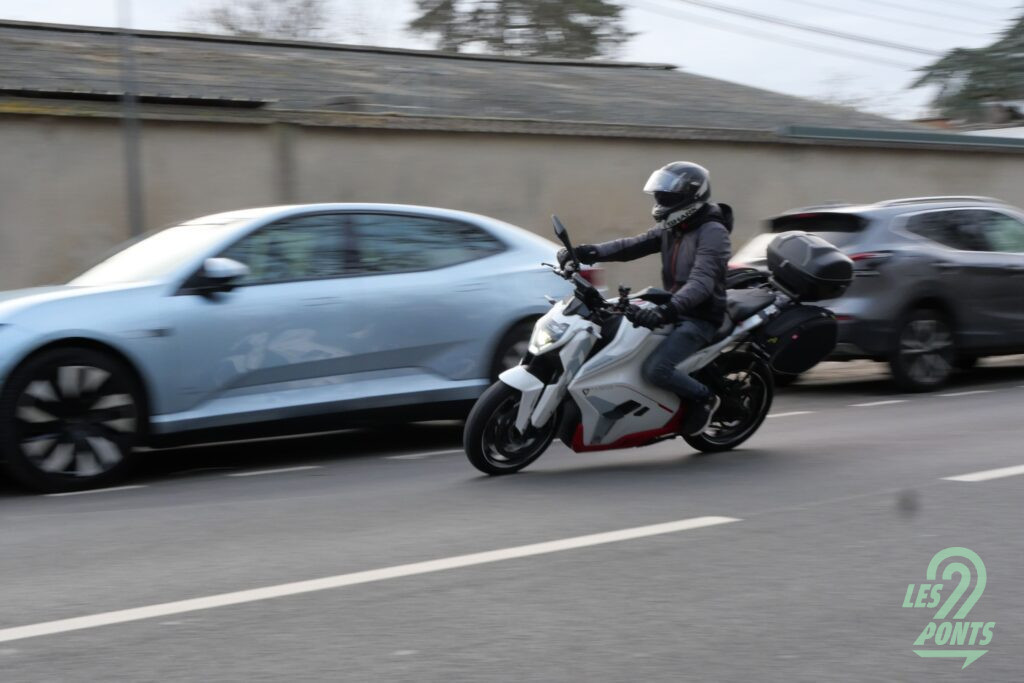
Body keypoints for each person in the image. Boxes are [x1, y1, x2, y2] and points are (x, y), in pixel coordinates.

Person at [557, 161, 732, 436]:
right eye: (659, 196)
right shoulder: (674, 227)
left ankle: (704, 398)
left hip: (699, 316)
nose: (661, 202)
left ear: (688, 198)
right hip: (673, 304)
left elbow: (701, 283)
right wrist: (586, 252)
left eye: (667, 197)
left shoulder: (713, 233)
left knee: (656, 369)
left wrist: (667, 312)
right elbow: (631, 246)